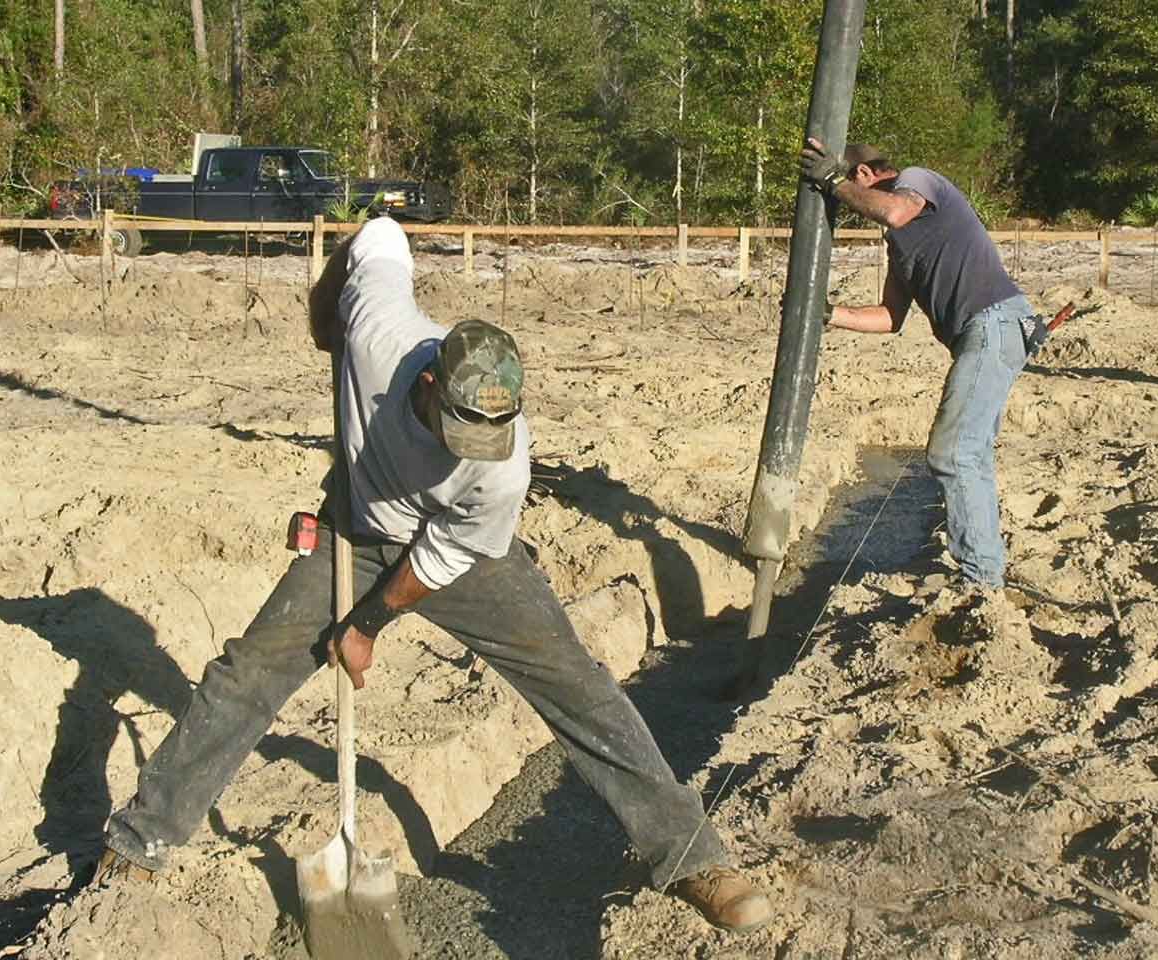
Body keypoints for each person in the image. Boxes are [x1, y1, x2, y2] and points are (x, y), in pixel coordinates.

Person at [91, 215, 772, 933]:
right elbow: (378, 232)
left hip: (459, 556)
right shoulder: (374, 331)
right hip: (355, 527)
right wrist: (328, 314)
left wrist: (364, 626)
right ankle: (141, 841)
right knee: (245, 675)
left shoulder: (503, 465)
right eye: (458, 431)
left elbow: (444, 556)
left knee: (576, 684)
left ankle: (691, 855)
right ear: (426, 383)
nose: (470, 450)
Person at [799, 139, 1045, 593]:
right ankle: (985, 570)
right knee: (971, 455)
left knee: (951, 453)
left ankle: (980, 582)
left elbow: (893, 210)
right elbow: (891, 317)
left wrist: (831, 184)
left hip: (993, 324)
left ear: (865, 176)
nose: (856, 205)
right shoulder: (901, 245)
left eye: (854, 189)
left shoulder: (917, 180)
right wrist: (828, 313)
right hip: (987, 333)